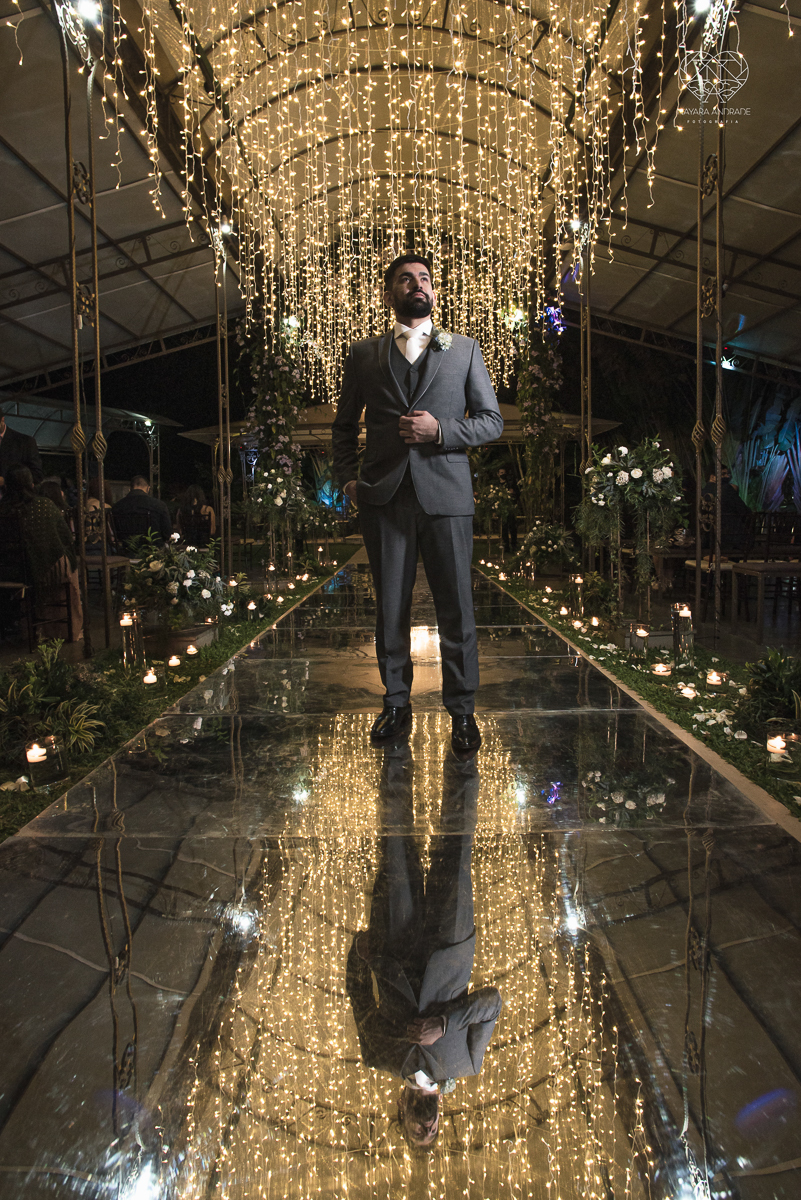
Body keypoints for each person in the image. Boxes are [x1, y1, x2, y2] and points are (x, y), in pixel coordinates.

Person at [332, 253, 503, 753]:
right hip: (382, 496)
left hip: (446, 496)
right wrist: (348, 479)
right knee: (390, 607)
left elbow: (490, 421)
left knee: (457, 608)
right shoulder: (364, 354)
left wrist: (443, 430)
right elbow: (343, 426)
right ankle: (396, 702)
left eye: (425, 278)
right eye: (406, 279)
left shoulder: (465, 350)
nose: (418, 285)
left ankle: (463, 712)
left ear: (434, 290)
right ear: (390, 294)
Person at [346, 747, 501, 1150]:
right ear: (440, 1121)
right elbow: (491, 1004)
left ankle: (395, 747)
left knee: (395, 842)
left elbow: (359, 997)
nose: (424, 1128)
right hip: (450, 945)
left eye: (416, 1133)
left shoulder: (379, 1057)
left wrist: (359, 954)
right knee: (457, 846)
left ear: (401, 1112)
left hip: (396, 941)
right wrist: (446, 1025)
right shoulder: (468, 1064)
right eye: (431, 1133)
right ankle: (464, 750)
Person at [0, 464, 83, 641]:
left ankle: (28, 626)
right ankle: (66, 629)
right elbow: (66, 537)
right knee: (68, 563)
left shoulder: (3, 509)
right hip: (40, 570)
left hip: (8, 572)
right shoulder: (42, 506)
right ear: (31, 484)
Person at [701, 467, 751, 557]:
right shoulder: (726, 489)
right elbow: (743, 510)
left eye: (727, 474)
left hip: (707, 538)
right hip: (727, 539)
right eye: (723, 474)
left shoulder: (702, 492)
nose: (727, 476)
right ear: (712, 477)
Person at [112, 474, 172, 547]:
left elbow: (115, 532)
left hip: (126, 550)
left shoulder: (117, 506)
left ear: (129, 489)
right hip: (154, 550)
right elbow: (167, 533)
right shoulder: (159, 505)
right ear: (148, 488)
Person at [0, 413, 43, 491]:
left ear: (2, 419)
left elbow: (37, 474)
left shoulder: (24, 442)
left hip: (14, 498)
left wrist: (6, 481)